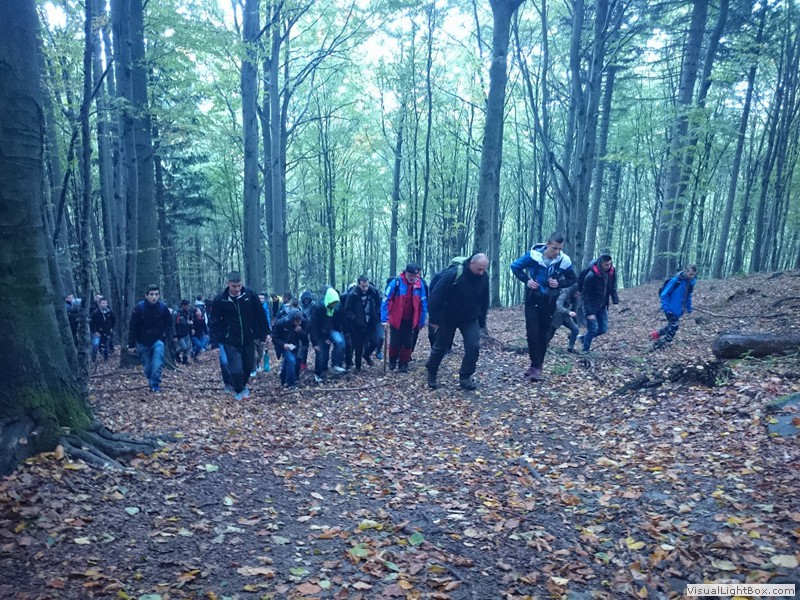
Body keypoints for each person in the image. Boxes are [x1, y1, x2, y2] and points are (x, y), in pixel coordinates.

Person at [510, 233, 577, 381]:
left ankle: (537, 366)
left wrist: (559, 284)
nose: (557, 252)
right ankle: (536, 365)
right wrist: (527, 280)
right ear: (547, 245)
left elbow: (572, 279)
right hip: (532, 299)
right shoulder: (533, 256)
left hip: (550, 301)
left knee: (543, 333)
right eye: (554, 248)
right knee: (532, 332)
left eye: (560, 249)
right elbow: (515, 267)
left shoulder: (564, 261)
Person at [426, 254, 490, 390]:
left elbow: (484, 299)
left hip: (470, 318)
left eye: (484, 269)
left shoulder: (484, 277)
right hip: (447, 318)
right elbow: (435, 297)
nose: (481, 272)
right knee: (441, 347)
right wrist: (434, 319)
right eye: (479, 269)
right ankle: (432, 371)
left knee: (473, 347)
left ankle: (465, 376)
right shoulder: (452, 274)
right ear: (471, 263)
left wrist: (482, 320)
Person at [209, 272, 270, 400]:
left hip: (249, 339)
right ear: (227, 284)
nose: (237, 289)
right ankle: (238, 389)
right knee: (236, 370)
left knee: (248, 367)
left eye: (239, 286)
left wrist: (266, 333)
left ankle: (242, 386)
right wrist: (214, 343)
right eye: (234, 286)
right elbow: (214, 322)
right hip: (230, 340)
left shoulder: (250, 294)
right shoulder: (220, 300)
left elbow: (260, 314)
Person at [381, 263, 428, 372]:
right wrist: (384, 319)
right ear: (405, 273)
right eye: (410, 275)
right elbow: (385, 301)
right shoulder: (396, 283)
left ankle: (403, 363)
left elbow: (423, 304)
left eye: (414, 275)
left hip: (411, 320)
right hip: (396, 319)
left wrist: (421, 321)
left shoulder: (419, 285)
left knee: (408, 343)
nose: (412, 278)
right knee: (395, 342)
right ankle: (392, 361)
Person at [128, 285, 174, 393]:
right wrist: (131, 345)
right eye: (151, 294)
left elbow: (169, 323)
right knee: (147, 367)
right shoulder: (139, 308)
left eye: (156, 294)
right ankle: (150, 380)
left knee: (157, 363)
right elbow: (132, 327)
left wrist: (165, 335)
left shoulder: (162, 308)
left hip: (157, 340)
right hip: (142, 341)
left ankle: (155, 385)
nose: (154, 297)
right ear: (146, 295)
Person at [579, 254, 619, 352]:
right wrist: (589, 313)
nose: (609, 266)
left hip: (602, 305)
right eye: (606, 265)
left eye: (610, 264)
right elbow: (585, 295)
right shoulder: (591, 276)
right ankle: (585, 351)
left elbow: (613, 287)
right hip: (591, 306)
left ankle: (583, 338)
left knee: (603, 329)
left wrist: (615, 301)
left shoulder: (612, 272)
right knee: (592, 329)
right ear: (601, 264)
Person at [650, 265, 697, 348]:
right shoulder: (676, 280)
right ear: (686, 272)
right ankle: (663, 343)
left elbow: (688, 295)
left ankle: (655, 334)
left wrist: (689, 308)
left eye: (693, 275)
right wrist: (666, 309)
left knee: (670, 326)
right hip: (670, 308)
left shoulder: (691, 283)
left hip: (679, 309)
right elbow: (664, 294)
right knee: (674, 326)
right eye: (690, 274)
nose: (692, 276)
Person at [344, 276, 382, 371]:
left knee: (375, 342)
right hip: (358, 324)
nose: (365, 288)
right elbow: (347, 310)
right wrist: (354, 318)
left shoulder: (373, 292)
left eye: (366, 285)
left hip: (371, 322)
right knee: (358, 346)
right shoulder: (352, 295)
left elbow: (379, 303)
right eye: (363, 286)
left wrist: (377, 314)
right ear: (358, 284)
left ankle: (366, 355)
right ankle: (358, 366)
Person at [310, 288, 347, 383]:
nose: (334, 304)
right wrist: (315, 343)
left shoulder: (335, 308)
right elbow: (313, 326)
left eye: (336, 302)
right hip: (319, 334)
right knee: (321, 354)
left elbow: (335, 322)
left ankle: (335, 364)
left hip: (329, 331)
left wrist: (329, 337)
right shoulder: (318, 308)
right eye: (333, 302)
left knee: (339, 342)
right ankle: (318, 374)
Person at [272, 309, 308, 388]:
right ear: (292, 319)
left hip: (294, 346)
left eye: (300, 321)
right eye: (297, 321)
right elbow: (274, 338)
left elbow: (305, 339)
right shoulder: (281, 323)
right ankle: (291, 384)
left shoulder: (303, 322)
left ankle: (283, 378)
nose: (299, 323)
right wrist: (283, 344)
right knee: (291, 361)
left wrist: (300, 332)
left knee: (287, 361)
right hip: (283, 346)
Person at [548, 282, 580, 353]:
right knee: (551, 332)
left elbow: (575, 310)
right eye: (578, 294)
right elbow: (558, 306)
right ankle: (544, 344)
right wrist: (568, 312)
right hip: (557, 316)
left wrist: (575, 320)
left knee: (575, 329)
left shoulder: (575, 299)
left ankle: (570, 347)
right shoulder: (564, 294)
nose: (578, 296)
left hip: (566, 317)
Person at [89, 297, 115, 362]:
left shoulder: (109, 312)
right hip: (97, 332)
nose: (105, 304)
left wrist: (111, 328)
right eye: (103, 303)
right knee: (95, 345)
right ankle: (93, 359)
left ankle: (106, 359)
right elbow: (91, 323)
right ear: (100, 304)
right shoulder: (95, 313)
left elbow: (113, 319)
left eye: (106, 303)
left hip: (106, 331)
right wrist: (95, 331)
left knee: (106, 346)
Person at [174, 300, 194, 365]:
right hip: (180, 334)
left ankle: (185, 360)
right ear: (183, 305)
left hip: (187, 332)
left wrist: (192, 328)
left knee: (188, 347)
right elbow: (174, 325)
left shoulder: (188, 313)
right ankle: (176, 354)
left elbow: (190, 321)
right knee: (184, 347)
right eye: (187, 306)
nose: (188, 307)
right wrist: (175, 335)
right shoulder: (177, 313)